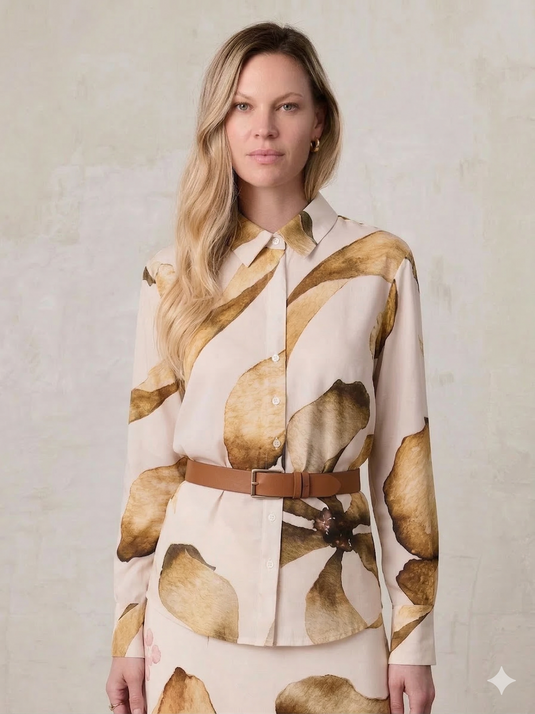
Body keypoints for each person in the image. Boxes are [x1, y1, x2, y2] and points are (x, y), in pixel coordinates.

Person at [105, 21, 439, 714]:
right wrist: (127, 631)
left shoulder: (379, 266)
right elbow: (149, 469)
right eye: (242, 107)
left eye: (286, 106)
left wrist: (413, 638)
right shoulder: (172, 276)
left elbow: (403, 464)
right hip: (194, 611)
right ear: (220, 125)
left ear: (318, 123)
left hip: (338, 611)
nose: (264, 127)